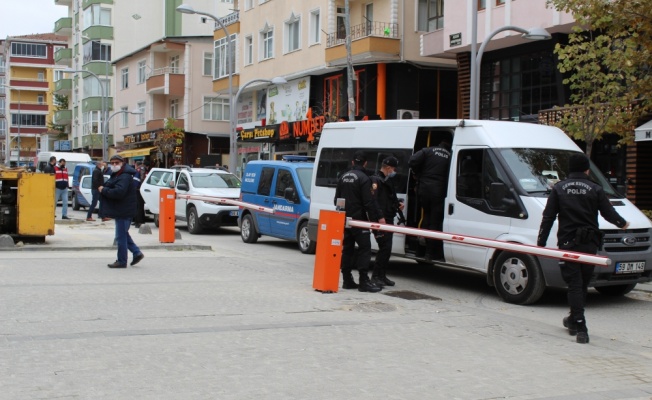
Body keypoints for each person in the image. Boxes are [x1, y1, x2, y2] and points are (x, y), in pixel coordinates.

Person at [537, 153, 629, 344]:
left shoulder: (559, 188)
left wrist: (541, 242)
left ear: (569, 169)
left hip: (568, 244)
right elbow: (608, 213)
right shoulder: (595, 188)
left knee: (574, 285)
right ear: (587, 169)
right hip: (589, 244)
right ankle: (575, 320)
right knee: (582, 284)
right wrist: (622, 223)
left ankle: (579, 325)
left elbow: (548, 216)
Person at [334, 151, 382, 293]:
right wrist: (374, 223)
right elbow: (368, 202)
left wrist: (343, 215)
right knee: (365, 249)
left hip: (344, 219)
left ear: (353, 162)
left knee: (347, 249)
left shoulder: (342, 176)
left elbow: (336, 200)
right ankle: (363, 281)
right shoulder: (364, 178)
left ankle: (347, 280)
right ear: (365, 163)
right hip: (359, 221)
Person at [408, 136, 452, 261]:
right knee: (434, 222)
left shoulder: (428, 151)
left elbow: (411, 161)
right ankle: (429, 254)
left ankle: (419, 250)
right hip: (438, 192)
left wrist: (418, 174)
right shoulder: (450, 156)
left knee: (424, 217)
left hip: (423, 189)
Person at [99, 155, 145, 268]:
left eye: (116, 163)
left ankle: (121, 261)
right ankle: (136, 252)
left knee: (120, 236)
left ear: (122, 163)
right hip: (122, 209)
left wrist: (104, 190)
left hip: (124, 210)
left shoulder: (124, 176)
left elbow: (119, 192)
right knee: (123, 234)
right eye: (112, 163)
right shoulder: (117, 174)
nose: (114, 165)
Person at [370, 156, 404, 288]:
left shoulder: (387, 181)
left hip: (388, 218)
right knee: (384, 248)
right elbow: (374, 201)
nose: (394, 171)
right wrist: (379, 217)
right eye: (393, 169)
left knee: (387, 248)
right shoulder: (376, 180)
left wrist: (398, 204)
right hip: (381, 219)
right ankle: (375, 276)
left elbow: (390, 199)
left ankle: (382, 276)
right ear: (388, 168)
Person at [133, 161, 147, 228]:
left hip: (138, 190)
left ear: (136, 164)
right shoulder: (142, 170)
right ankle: (140, 221)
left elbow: (138, 180)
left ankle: (139, 222)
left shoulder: (139, 170)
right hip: (140, 189)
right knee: (140, 206)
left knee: (138, 206)